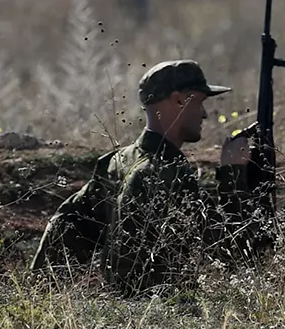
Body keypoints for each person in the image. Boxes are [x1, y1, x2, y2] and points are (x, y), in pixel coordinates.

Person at [29, 59, 270, 296]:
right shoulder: (165, 173)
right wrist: (232, 172)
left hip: (123, 309)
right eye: (199, 102)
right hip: (161, 310)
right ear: (178, 100)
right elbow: (238, 251)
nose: (204, 114)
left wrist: (43, 294)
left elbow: (66, 223)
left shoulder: (118, 162)